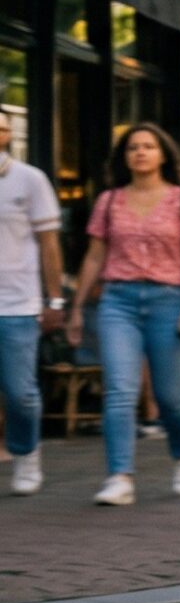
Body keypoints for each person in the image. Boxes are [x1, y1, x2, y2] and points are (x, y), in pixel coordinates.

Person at [68, 124, 180, 506]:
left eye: (148, 147)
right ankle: (120, 476)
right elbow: (95, 255)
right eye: (133, 148)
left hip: (170, 300)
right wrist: (78, 307)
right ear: (125, 156)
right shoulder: (110, 201)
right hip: (119, 301)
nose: (141, 153)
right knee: (120, 389)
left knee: (171, 396)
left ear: (163, 154)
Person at [0, 115, 65, 497]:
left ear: (7, 135)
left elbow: (50, 244)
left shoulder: (30, 179)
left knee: (20, 391)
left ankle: (26, 454)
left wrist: (54, 298)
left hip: (17, 303)